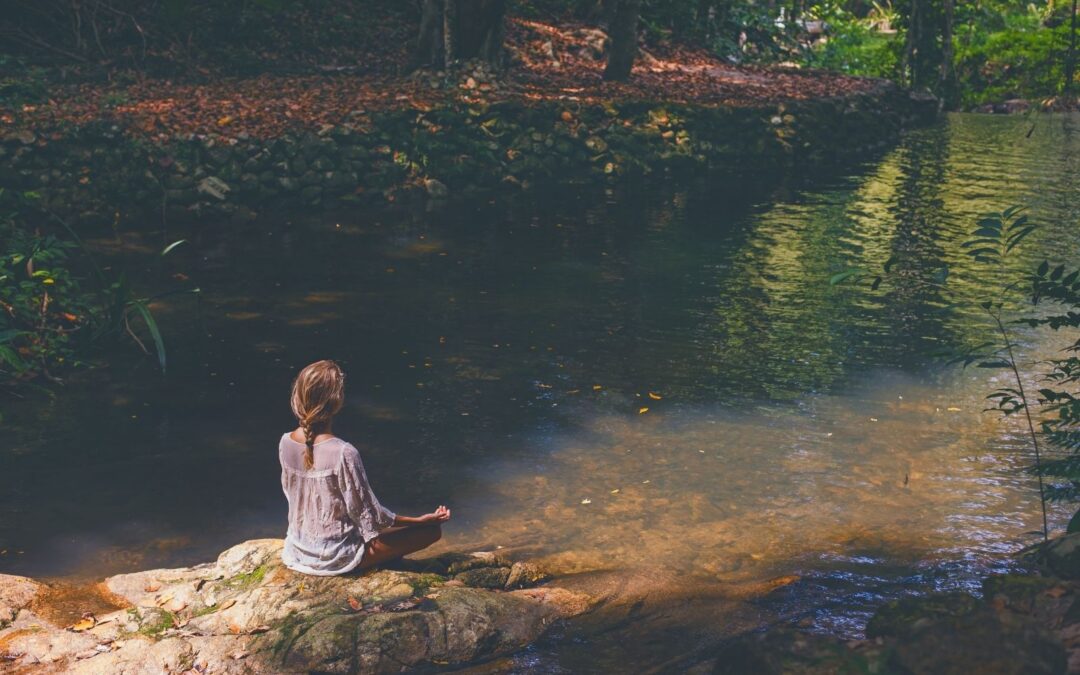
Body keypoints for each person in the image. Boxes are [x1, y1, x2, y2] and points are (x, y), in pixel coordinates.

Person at [279, 359, 450, 575]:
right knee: (430, 532)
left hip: (298, 550)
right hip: (336, 557)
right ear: (337, 401)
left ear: (298, 397)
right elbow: (371, 516)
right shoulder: (343, 452)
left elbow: (292, 496)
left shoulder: (285, 442)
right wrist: (418, 521)